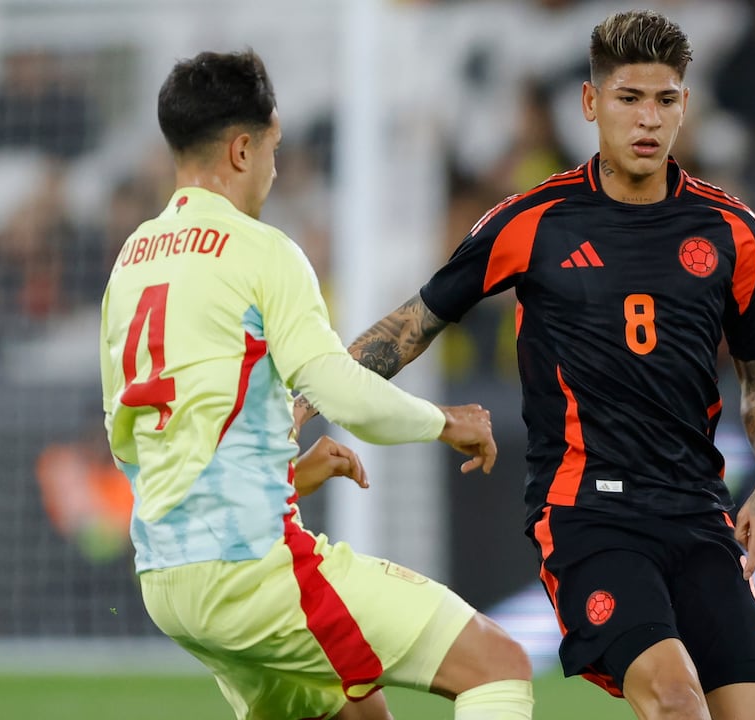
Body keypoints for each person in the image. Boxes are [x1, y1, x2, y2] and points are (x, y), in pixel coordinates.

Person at [301, 10, 755, 720]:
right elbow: (416, 322)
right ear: (592, 104)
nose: (647, 119)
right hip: (590, 512)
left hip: (699, 514)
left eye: (664, 100)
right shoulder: (534, 220)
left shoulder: (732, 231)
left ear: (685, 105)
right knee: (676, 698)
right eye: (629, 98)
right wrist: (307, 398)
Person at [99, 49, 534, 720]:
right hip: (253, 574)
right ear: (243, 149)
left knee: (359, 707)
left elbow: (140, 443)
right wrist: (446, 422)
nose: (274, 168)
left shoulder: (130, 264)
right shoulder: (261, 250)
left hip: (169, 582)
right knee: (497, 666)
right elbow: (341, 391)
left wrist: (286, 477)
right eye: (272, 148)